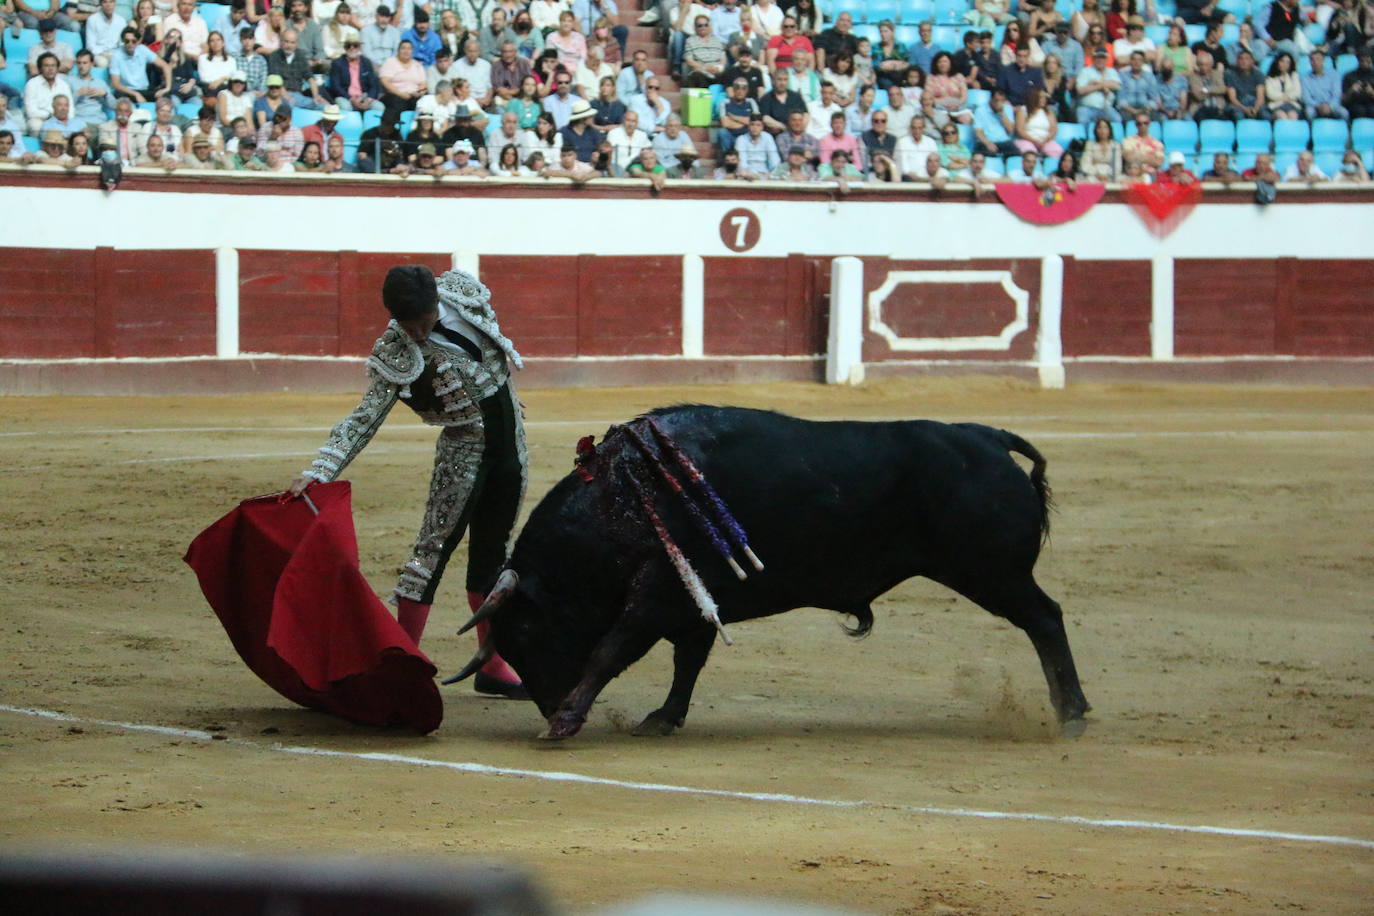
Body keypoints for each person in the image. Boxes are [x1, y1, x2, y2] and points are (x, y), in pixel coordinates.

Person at [288, 265, 529, 699]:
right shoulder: (396, 350)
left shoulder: (465, 296)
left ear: (437, 303)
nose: (416, 334)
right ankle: (401, 667)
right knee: (429, 557)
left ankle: (492, 663)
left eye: (422, 323)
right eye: (407, 325)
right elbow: (365, 418)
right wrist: (320, 469)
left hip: (512, 446)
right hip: (463, 455)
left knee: (493, 556)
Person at [1076, 46, 1121, 124]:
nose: (1100, 60)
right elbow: (1080, 90)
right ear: (1093, 59)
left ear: (1107, 59)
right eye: (1098, 57)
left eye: (1103, 58)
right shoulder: (1085, 71)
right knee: (1082, 119)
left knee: (1117, 120)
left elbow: (1117, 86)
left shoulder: (1111, 71)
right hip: (1087, 108)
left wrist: (1096, 83)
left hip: (1106, 108)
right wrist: (1101, 86)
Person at [1303, 49, 1348, 121]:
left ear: (1323, 60)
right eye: (1312, 60)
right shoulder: (1306, 78)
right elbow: (1306, 98)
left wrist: (1330, 106)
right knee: (1309, 113)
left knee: (1344, 113)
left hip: (1331, 105)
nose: (1315, 62)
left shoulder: (1334, 75)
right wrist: (1318, 106)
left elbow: (1337, 94)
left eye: (1318, 59)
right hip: (1315, 106)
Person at [1226, 50, 1269, 121]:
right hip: (1238, 104)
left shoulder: (1258, 74)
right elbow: (1232, 98)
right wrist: (1245, 109)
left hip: (1254, 102)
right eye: (1241, 58)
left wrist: (1255, 109)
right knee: (1238, 115)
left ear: (1252, 61)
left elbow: (1260, 97)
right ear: (1237, 61)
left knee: (1265, 115)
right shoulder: (1230, 75)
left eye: (1247, 59)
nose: (1243, 61)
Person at [1116, 50, 1158, 122]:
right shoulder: (1122, 76)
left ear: (1143, 62)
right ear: (1130, 61)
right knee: (1123, 118)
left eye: (1139, 60)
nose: (1136, 62)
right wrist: (1133, 111)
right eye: (1134, 59)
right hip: (1127, 109)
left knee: (1157, 118)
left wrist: (1143, 110)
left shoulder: (1150, 77)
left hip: (1145, 109)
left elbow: (1153, 98)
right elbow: (1120, 99)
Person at [604, 106, 648, 174]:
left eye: (633, 121)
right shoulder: (613, 133)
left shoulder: (642, 135)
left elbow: (647, 153)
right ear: (623, 121)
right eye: (628, 120)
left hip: (636, 169)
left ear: (637, 123)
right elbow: (607, 154)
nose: (630, 124)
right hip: (617, 167)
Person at [894, 113, 937, 179]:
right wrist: (916, 178)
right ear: (910, 128)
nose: (917, 131)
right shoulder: (902, 142)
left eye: (920, 128)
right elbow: (902, 166)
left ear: (924, 128)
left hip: (929, 178)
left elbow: (935, 162)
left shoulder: (931, 142)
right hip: (909, 179)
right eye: (914, 128)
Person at [652, 113, 697, 177]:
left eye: (676, 126)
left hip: (684, 168)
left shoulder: (684, 135)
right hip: (667, 171)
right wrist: (677, 169)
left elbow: (693, 154)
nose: (673, 128)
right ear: (665, 127)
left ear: (680, 127)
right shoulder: (658, 139)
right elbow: (660, 162)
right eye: (670, 126)